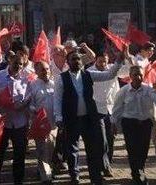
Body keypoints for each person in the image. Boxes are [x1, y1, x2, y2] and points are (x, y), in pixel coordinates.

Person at [54, 48, 126, 185]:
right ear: (68, 62)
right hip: (71, 119)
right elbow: (57, 99)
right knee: (72, 149)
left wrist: (119, 61)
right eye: (73, 59)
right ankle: (74, 176)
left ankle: (95, 177)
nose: (76, 61)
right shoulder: (61, 79)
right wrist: (58, 118)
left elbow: (109, 75)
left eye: (78, 59)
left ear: (82, 61)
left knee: (93, 148)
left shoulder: (89, 75)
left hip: (89, 119)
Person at [113, 65, 156, 184]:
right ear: (130, 76)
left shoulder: (148, 89)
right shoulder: (123, 91)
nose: (138, 77)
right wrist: (114, 124)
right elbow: (117, 109)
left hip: (145, 124)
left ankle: (139, 170)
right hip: (130, 124)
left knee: (143, 150)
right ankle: (137, 174)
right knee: (132, 150)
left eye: (140, 75)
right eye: (135, 75)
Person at [87, 52, 130, 176]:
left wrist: (127, 55)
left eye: (105, 61)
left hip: (111, 109)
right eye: (100, 61)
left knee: (110, 138)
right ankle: (103, 165)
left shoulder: (113, 68)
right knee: (101, 139)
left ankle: (107, 162)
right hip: (96, 110)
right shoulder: (90, 71)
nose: (103, 64)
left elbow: (128, 70)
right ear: (96, 60)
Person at [0, 52, 30, 185]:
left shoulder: (26, 78)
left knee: (19, 153)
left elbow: (29, 96)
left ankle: (18, 179)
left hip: (20, 122)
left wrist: (23, 104)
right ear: (10, 60)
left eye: (21, 64)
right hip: (3, 122)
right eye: (16, 63)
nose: (18, 66)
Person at [28, 61, 56, 184]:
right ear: (37, 71)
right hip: (40, 123)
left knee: (50, 149)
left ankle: (44, 169)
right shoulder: (32, 85)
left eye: (47, 69)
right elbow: (30, 103)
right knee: (42, 149)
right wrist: (35, 110)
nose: (45, 72)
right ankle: (46, 177)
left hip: (53, 124)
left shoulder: (54, 85)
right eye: (42, 70)